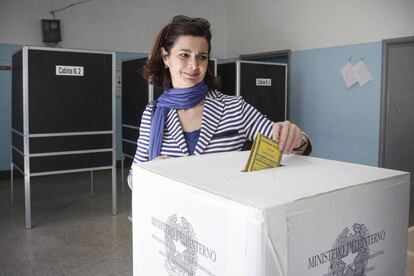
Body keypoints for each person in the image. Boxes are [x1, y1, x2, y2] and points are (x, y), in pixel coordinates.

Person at [133, 15, 311, 164]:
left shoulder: (234, 108)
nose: (194, 65)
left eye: (201, 57)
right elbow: (134, 177)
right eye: (184, 55)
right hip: (172, 207)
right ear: (166, 57)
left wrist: (296, 138)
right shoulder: (152, 113)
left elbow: (295, 145)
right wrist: (152, 172)